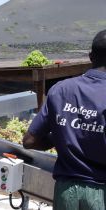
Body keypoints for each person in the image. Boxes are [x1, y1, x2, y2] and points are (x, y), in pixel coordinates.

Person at [22, 29, 106, 210]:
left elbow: (29, 141)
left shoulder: (61, 89)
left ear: (90, 56)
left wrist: (61, 134)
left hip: (66, 192)